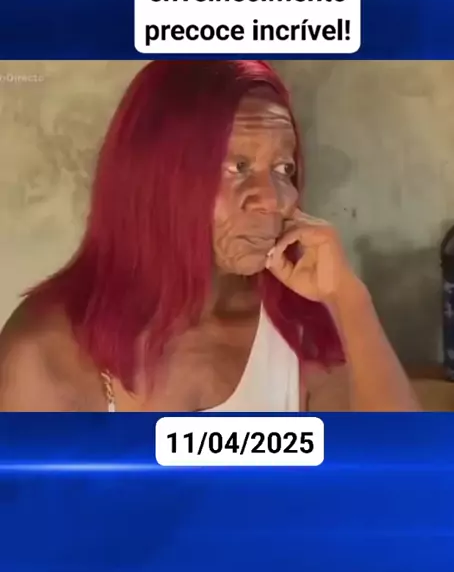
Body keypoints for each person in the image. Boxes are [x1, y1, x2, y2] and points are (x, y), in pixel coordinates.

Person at [0, 60, 419, 412]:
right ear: (156, 180)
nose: (275, 200)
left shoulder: (302, 328)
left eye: (284, 169)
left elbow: (399, 471)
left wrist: (349, 299)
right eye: (238, 167)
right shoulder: (45, 350)